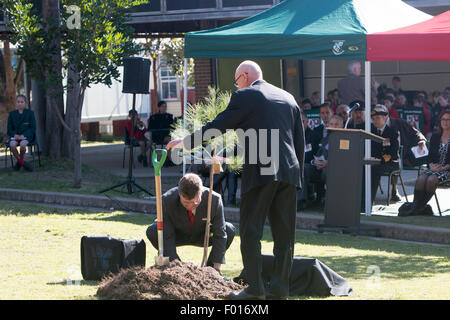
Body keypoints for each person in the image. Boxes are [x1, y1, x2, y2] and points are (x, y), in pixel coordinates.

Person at [167, 60, 305, 300]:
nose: (236, 86)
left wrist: (185, 143)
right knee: (285, 236)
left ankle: (255, 289)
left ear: (244, 76)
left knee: (251, 231)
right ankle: (280, 289)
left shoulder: (246, 95)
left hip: (262, 171)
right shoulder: (287, 97)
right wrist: (297, 175)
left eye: (236, 81)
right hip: (289, 173)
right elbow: (296, 142)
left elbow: (218, 126)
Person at [146, 173, 235, 273]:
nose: (190, 206)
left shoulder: (214, 200)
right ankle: (175, 267)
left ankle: (209, 270)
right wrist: (178, 268)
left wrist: (216, 268)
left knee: (229, 229)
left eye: (194, 202)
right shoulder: (167, 200)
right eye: (186, 203)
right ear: (179, 195)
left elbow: (220, 234)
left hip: (202, 236)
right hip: (177, 235)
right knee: (153, 230)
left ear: (200, 193)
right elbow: (167, 236)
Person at [406, 111, 450, 216]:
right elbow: (429, 157)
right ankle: (416, 206)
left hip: (447, 170)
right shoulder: (435, 136)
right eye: (443, 119)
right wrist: (431, 165)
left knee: (431, 179)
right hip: (434, 168)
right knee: (421, 178)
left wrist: (442, 168)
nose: (445, 122)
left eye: (448, 120)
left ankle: (419, 208)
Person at [300, 115, 344, 209]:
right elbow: (317, 155)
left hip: (333, 169)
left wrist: (328, 163)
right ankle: (302, 201)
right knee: (303, 167)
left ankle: (328, 202)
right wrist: (314, 162)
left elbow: (343, 158)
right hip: (319, 168)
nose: (334, 126)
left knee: (327, 170)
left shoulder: (345, 140)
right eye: (331, 124)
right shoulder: (325, 139)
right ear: (328, 125)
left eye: (336, 124)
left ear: (342, 126)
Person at [369, 105, 400, 205]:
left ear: (385, 118)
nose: (375, 121)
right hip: (375, 161)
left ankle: (369, 199)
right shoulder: (371, 131)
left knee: (374, 170)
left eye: (378, 118)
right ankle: (362, 196)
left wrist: (379, 160)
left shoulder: (393, 132)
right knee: (364, 168)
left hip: (390, 162)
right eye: (373, 119)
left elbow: (394, 152)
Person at [7, 94, 36, 172]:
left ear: (25, 103)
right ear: (16, 103)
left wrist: (24, 135)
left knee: (23, 145)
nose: (20, 103)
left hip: (26, 136)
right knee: (12, 145)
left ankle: (19, 163)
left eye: (22, 102)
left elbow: (33, 128)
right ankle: (23, 163)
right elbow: (9, 129)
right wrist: (15, 135)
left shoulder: (30, 113)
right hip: (15, 136)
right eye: (18, 102)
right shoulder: (12, 114)